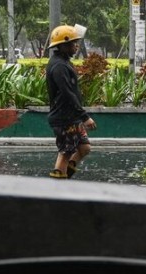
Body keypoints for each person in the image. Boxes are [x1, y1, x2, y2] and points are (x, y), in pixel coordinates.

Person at [46, 24, 96, 179]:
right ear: (63, 45)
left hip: (71, 116)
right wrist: (84, 116)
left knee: (84, 148)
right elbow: (67, 94)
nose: (76, 46)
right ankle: (58, 186)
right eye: (73, 43)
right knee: (65, 153)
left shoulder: (63, 61)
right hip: (64, 117)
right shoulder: (59, 66)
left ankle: (65, 174)